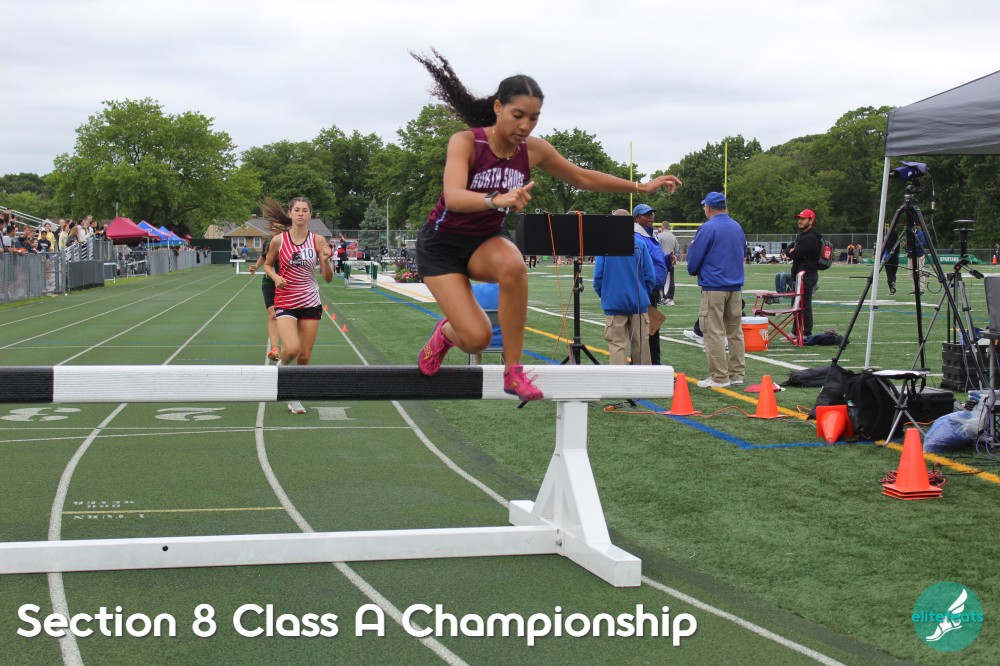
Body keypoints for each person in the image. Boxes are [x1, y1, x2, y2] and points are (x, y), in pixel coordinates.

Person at [409, 49, 682, 400]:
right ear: (498, 107)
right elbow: (454, 197)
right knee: (476, 338)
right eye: (518, 115)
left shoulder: (533, 150)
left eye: (534, 118)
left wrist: (640, 187)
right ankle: (445, 335)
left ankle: (513, 371)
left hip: (484, 241)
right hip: (441, 246)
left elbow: (582, 177)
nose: (525, 126)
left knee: (514, 265)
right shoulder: (467, 142)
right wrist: (497, 200)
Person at [262, 197, 334, 414]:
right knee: (292, 349)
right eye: (297, 210)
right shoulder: (279, 241)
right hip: (286, 300)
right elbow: (267, 265)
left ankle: (295, 397)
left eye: (305, 210)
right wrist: (276, 277)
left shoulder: (318, 241)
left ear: (310, 215)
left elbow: (328, 278)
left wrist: (326, 260)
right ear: (290, 213)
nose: (301, 213)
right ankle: (282, 366)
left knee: (304, 356)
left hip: (310, 301)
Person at [686, 192, 746, 388]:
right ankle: (737, 374)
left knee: (713, 331)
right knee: (735, 331)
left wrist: (694, 270)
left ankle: (719, 376)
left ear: (709, 208)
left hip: (714, 286)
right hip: (735, 287)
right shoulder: (737, 226)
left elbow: (694, 259)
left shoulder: (708, 227)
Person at [593, 209, 656, 365]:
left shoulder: (604, 246)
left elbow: (598, 277)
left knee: (617, 347)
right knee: (641, 347)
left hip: (614, 304)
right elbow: (650, 277)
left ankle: (619, 379)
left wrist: (607, 295)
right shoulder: (639, 245)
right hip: (638, 304)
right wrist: (643, 294)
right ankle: (643, 379)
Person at [632, 204, 668, 364]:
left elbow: (655, 259)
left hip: (652, 288)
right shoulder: (638, 236)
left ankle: (652, 363)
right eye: (646, 214)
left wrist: (667, 260)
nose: (650, 217)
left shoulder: (650, 234)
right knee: (647, 330)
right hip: (645, 289)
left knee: (651, 329)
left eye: (651, 214)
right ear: (636, 218)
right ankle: (650, 364)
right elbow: (643, 264)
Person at [786, 209, 821, 338]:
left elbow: (795, 254)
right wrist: (791, 251)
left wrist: (792, 251)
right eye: (799, 218)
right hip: (800, 275)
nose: (800, 221)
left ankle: (806, 333)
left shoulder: (810, 237)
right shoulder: (802, 236)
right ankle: (795, 332)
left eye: (803, 218)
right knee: (796, 304)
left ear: (811, 220)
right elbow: (788, 249)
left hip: (807, 275)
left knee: (804, 305)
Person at [249, 233, 281, 362]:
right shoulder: (268, 242)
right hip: (269, 281)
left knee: (286, 316)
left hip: (285, 282)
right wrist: (256, 267)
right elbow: (263, 256)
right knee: (272, 314)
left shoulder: (291, 241)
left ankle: (290, 345)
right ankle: (275, 349)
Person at [657, 221, 678, 306]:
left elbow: (656, 248)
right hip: (670, 260)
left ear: (662, 227)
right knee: (671, 279)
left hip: (661, 260)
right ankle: (670, 298)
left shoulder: (659, 236)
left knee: (661, 279)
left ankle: (661, 298)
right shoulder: (673, 236)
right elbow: (676, 249)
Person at [882, 231, 901, 295]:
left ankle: (891, 289)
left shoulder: (886, 241)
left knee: (889, 275)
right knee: (893, 274)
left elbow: (884, 250)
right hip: (895, 259)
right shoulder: (897, 242)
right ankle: (893, 282)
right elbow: (898, 251)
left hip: (888, 259)